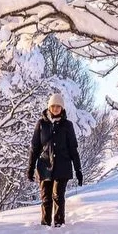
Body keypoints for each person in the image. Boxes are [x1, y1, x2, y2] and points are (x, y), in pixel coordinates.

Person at [27, 92, 83, 226]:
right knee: (46, 198)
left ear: (62, 108)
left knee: (58, 195)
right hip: (44, 166)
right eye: (53, 106)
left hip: (62, 166)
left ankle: (59, 225)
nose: (56, 108)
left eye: (58, 106)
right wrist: (30, 168)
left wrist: (78, 170)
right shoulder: (41, 124)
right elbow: (34, 147)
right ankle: (45, 225)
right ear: (49, 107)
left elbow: (73, 149)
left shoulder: (67, 125)